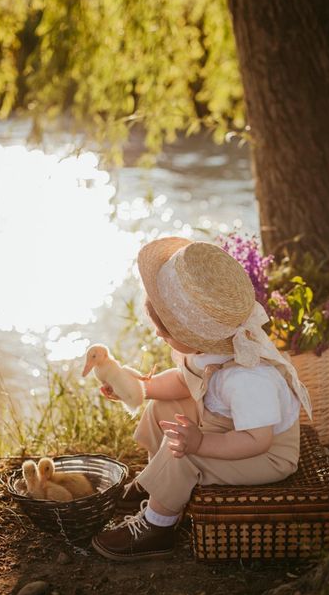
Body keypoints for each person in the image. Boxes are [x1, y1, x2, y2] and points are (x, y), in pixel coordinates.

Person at [91, 237, 312, 561]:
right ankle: (158, 484)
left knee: (184, 453)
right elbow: (183, 381)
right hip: (231, 427)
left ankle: (158, 526)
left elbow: (258, 440)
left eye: (164, 332)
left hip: (265, 453)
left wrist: (200, 445)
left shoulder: (249, 378)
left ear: (192, 334)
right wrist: (139, 389)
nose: (158, 336)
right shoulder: (213, 349)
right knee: (162, 409)